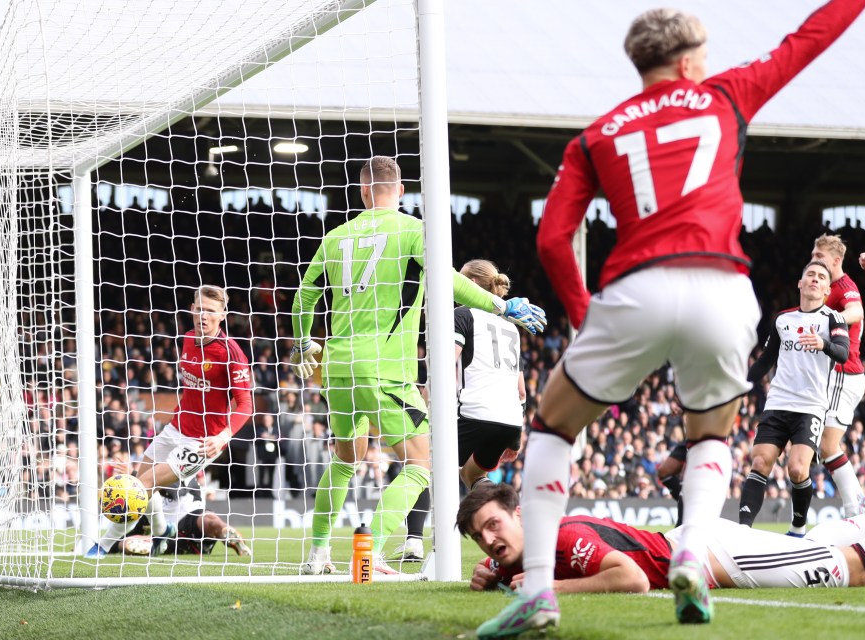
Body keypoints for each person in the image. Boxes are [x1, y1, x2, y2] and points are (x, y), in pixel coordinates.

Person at [479, 1, 865, 634]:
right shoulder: (725, 94)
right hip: (722, 288)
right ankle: (689, 555)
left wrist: (585, 317)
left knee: (552, 428)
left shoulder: (598, 133)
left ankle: (539, 595)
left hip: (635, 289)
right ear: (689, 62)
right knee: (711, 432)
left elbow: (554, 237)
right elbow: (808, 39)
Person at [290, 156, 545, 575]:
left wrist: (304, 344)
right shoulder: (413, 229)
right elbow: (450, 280)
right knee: (423, 465)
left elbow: (304, 298)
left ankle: (318, 553)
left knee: (343, 460)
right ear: (401, 191)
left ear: (362, 190)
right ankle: (367, 548)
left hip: (337, 368)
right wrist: (503, 304)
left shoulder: (336, 236)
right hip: (385, 368)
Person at [459, 482, 865, 595]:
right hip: (695, 541)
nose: (489, 539)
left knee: (847, 569)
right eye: (480, 536)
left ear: (519, 514)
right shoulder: (521, 549)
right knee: (813, 548)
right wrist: (491, 573)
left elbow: (632, 579)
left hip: (714, 557)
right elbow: (510, 564)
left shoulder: (565, 538)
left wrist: (552, 588)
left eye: (494, 524)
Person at [87, 285, 254, 558]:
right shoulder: (188, 339)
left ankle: (103, 545)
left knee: (140, 487)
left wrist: (224, 436)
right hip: (174, 429)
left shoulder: (231, 353)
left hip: (201, 444)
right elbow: (192, 391)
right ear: (191, 309)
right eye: (199, 309)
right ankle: (162, 532)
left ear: (222, 315)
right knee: (140, 484)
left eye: (211, 311)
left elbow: (246, 404)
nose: (203, 316)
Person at [392, 259, 528, 563]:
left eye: (461, 283)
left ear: (474, 286)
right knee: (473, 474)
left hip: (475, 413)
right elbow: (522, 391)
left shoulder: (462, 315)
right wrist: (516, 436)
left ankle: (415, 542)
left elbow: (445, 365)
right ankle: (512, 528)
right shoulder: (512, 328)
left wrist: (425, 399)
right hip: (509, 421)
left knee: (422, 464)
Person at [739, 261, 850, 535]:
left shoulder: (833, 319)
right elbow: (766, 361)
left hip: (810, 408)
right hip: (777, 404)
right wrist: (739, 382)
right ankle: (741, 533)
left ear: (826, 289)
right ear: (800, 284)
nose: (814, 279)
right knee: (760, 462)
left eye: (821, 277)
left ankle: (798, 528)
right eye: (810, 274)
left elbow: (843, 353)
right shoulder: (782, 320)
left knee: (798, 470)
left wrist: (823, 344)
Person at [811, 234, 865, 516]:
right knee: (820, 446)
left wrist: (829, 319)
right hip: (832, 374)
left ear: (836, 261)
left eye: (820, 257)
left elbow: (857, 311)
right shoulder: (826, 286)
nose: (814, 260)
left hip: (843, 373)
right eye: (813, 254)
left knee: (827, 445)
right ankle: (860, 503)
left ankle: (857, 507)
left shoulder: (845, 287)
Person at [114, 478, 251, 557]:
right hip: (171, 536)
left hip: (190, 518)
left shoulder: (184, 474)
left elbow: (177, 491)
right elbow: (138, 529)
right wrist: (113, 544)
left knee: (209, 521)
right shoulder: (147, 503)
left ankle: (228, 534)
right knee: (127, 542)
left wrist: (142, 483)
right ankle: (130, 546)